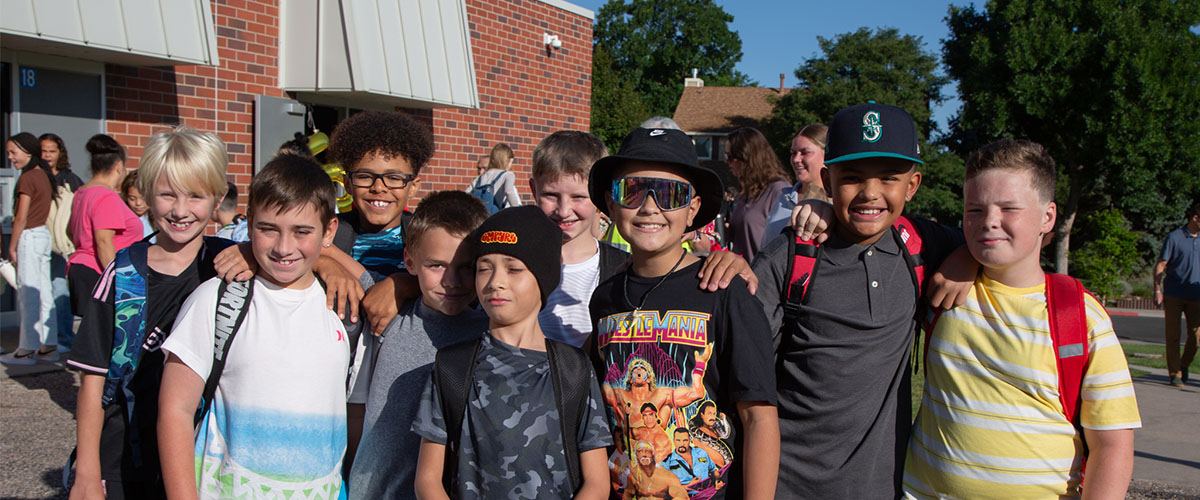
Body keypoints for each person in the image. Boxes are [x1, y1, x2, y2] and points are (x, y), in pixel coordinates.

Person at [903, 139, 1140, 499]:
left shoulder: (1080, 316)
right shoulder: (941, 286)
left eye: (1008, 208)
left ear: (1048, 217)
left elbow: (1112, 445)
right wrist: (818, 210)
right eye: (975, 210)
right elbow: (872, 226)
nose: (989, 222)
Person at [751, 102, 966, 498]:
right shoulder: (791, 255)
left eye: (889, 178)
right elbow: (740, 370)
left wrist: (966, 260)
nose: (870, 193)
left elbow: (994, 243)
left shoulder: (921, 246)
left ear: (913, 185)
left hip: (882, 487)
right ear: (828, 181)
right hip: (786, 484)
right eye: (851, 178)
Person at [587, 127, 779, 499]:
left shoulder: (723, 292)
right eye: (632, 191)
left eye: (671, 194)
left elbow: (759, 418)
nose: (649, 207)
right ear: (611, 205)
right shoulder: (605, 299)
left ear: (693, 210)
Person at [157, 155, 348, 499]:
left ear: (328, 231)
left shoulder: (345, 309)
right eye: (268, 229)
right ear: (248, 227)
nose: (283, 247)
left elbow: (355, 416)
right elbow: (175, 410)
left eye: (302, 231)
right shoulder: (214, 300)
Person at [65, 127, 232, 499]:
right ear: (144, 194)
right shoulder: (122, 273)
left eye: (195, 196)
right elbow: (92, 381)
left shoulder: (231, 265)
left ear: (218, 198)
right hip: (125, 455)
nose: (180, 210)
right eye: (167, 194)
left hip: (206, 453)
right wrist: (88, 472)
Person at [412, 206, 612, 499]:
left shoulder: (574, 369)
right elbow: (428, 480)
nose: (495, 282)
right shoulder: (453, 367)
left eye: (514, 268)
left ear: (543, 278)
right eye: (483, 268)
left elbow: (597, 482)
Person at [347, 191, 490, 500]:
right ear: (409, 260)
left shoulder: (493, 332)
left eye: (466, 267)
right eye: (436, 265)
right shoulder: (390, 309)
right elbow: (315, 251)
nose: (451, 280)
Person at [66, 135, 144, 319]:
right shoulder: (106, 196)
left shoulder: (82, 192)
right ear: (119, 166)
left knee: (91, 334)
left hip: (82, 268)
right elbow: (103, 241)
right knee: (102, 337)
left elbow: (70, 231)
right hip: (98, 271)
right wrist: (118, 281)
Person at [1, 133, 60, 365]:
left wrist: (12, 247)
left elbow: (21, 217)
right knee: (44, 292)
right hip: (42, 236)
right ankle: (48, 345)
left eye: (13, 152)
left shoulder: (27, 178)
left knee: (28, 294)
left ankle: (26, 349)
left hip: (29, 237)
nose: (10, 157)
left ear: (27, 152)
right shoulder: (43, 175)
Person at [41, 133, 85, 352]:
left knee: (60, 292)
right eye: (44, 151)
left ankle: (64, 339)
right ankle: (43, 338)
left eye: (52, 151)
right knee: (41, 293)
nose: (47, 155)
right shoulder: (37, 177)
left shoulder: (70, 179)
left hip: (62, 247)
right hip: (39, 243)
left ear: (60, 153)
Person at [725, 127, 791, 262]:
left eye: (730, 157)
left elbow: (785, 246)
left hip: (763, 279)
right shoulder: (747, 192)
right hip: (740, 277)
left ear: (747, 157)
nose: (728, 163)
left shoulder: (779, 190)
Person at [762, 124, 831, 248]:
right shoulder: (784, 197)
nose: (796, 159)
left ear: (826, 154)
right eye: (793, 153)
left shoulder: (836, 202)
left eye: (805, 152)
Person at [1154, 201, 1200, 387]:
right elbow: (1161, 265)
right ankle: (1175, 374)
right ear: (1196, 218)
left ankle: (1183, 364)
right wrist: (1157, 289)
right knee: (1173, 335)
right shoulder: (1174, 237)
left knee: (1196, 337)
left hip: (1196, 295)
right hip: (1174, 293)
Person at [466, 142, 522, 213]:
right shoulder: (508, 175)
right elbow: (509, 191)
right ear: (507, 160)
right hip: (497, 217)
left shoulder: (480, 177)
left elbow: (466, 194)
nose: (511, 166)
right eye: (511, 162)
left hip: (480, 217)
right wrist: (519, 211)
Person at [121, 171, 155, 238]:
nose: (138, 203)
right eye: (132, 198)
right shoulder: (122, 219)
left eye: (143, 198)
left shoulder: (159, 220)